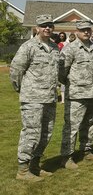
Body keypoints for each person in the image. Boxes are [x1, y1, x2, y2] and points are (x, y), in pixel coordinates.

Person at [10, 14, 60, 181]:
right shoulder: (28, 47)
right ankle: (23, 170)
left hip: (49, 98)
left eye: (50, 25)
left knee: (46, 133)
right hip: (32, 98)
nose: (47, 28)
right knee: (31, 132)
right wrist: (21, 89)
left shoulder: (54, 47)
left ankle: (35, 166)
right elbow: (16, 70)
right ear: (37, 28)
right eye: (43, 25)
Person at [58, 20, 93, 169]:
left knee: (90, 124)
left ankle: (86, 150)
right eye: (83, 30)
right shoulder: (70, 49)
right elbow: (62, 72)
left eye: (88, 29)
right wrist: (71, 83)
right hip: (76, 94)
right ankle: (66, 156)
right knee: (71, 126)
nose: (86, 32)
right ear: (77, 32)